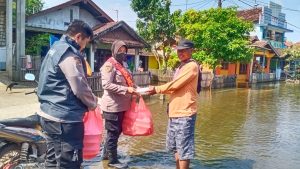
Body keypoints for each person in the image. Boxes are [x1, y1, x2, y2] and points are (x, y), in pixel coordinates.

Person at [37, 20, 98, 169]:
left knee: (52, 159)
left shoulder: (55, 48)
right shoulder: (69, 54)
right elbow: (79, 87)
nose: (84, 47)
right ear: (78, 37)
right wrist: (93, 103)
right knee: (70, 162)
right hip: (64, 118)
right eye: (85, 42)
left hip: (48, 113)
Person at [148, 39, 200, 169]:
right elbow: (174, 90)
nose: (180, 53)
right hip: (175, 112)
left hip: (185, 113)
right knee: (176, 147)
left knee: (184, 149)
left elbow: (175, 85)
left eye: (184, 50)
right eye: (179, 51)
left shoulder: (191, 66)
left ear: (191, 51)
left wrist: (156, 89)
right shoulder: (181, 67)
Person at [100, 40, 137, 169]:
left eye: (124, 50)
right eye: (120, 50)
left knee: (116, 131)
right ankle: (113, 161)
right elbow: (106, 85)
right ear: (114, 51)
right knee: (112, 133)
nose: (123, 53)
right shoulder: (109, 65)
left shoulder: (123, 64)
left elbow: (128, 81)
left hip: (122, 105)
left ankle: (107, 155)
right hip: (112, 106)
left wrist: (136, 89)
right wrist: (126, 90)